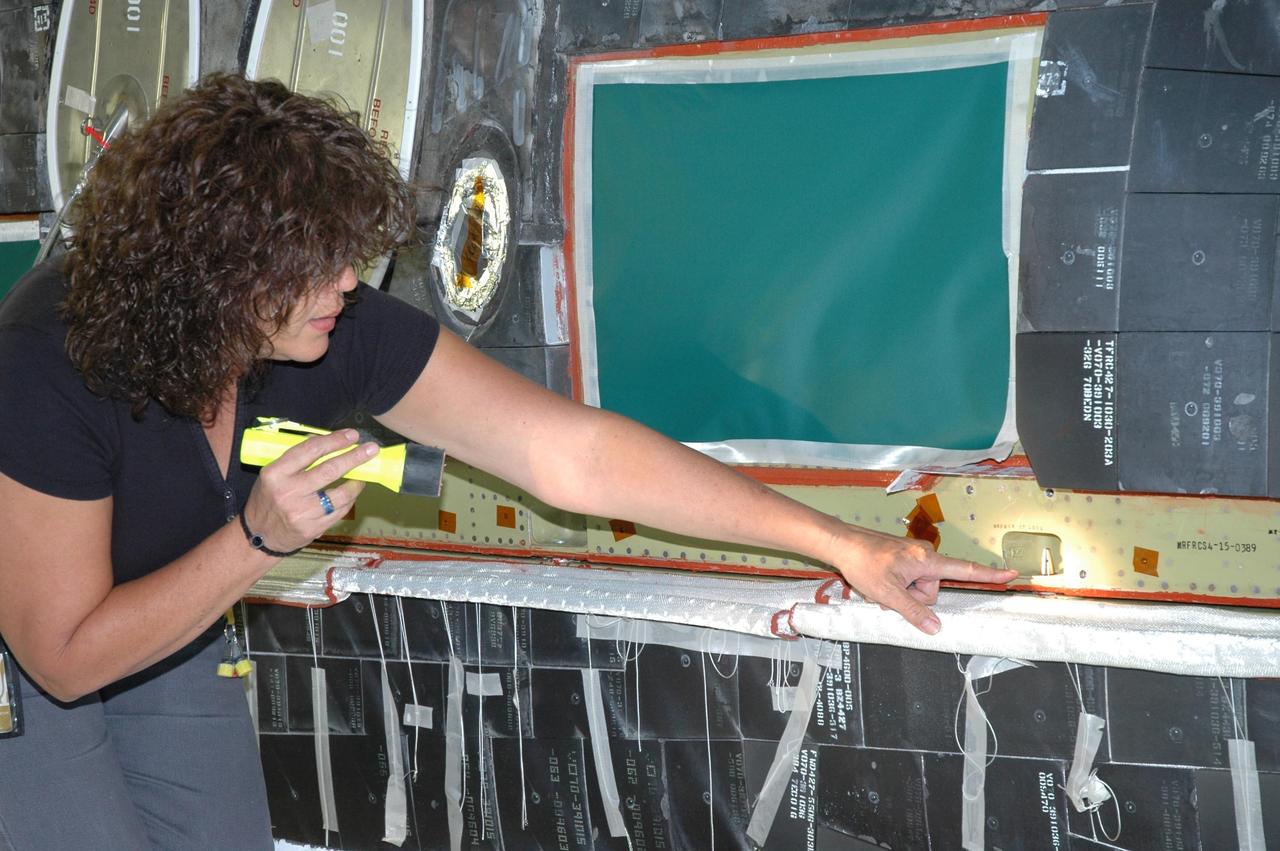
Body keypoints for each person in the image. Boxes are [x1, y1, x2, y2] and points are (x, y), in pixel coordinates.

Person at [0, 74, 1016, 849]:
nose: (348, 280)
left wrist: (838, 542)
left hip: (164, 618)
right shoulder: (54, 357)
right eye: (316, 260)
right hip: (34, 648)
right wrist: (260, 536)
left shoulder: (331, 328)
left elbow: (572, 454)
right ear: (219, 265)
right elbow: (65, 654)